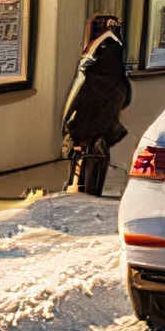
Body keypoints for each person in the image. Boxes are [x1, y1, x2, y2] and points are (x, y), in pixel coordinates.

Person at [64, 15, 132, 196]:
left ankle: (81, 185)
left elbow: (84, 78)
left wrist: (68, 115)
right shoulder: (114, 44)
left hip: (93, 107)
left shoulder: (101, 45)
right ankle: (89, 187)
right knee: (97, 147)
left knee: (88, 145)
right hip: (107, 104)